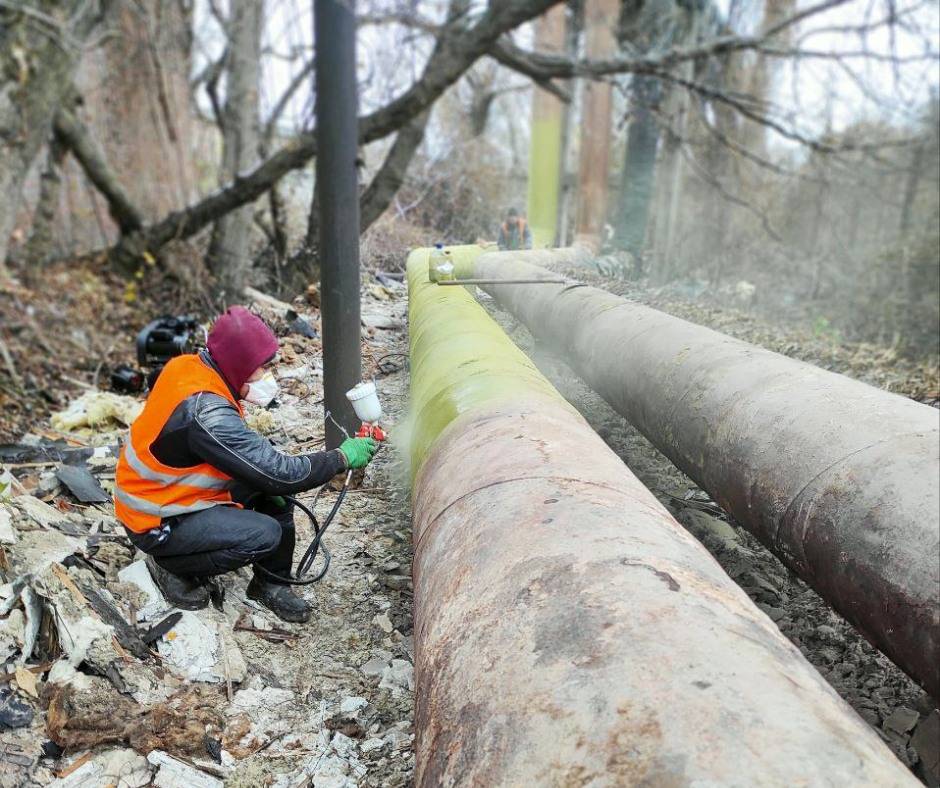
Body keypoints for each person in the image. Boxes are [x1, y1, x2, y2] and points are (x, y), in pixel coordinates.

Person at [114, 306, 378, 623]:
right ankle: (171, 566)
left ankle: (270, 585)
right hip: (155, 519)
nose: (263, 376)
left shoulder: (190, 367)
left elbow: (260, 467)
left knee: (272, 496)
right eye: (258, 368)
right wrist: (342, 457)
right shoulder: (207, 413)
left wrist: (268, 481)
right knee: (263, 533)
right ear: (237, 364)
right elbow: (281, 473)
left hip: (172, 491)